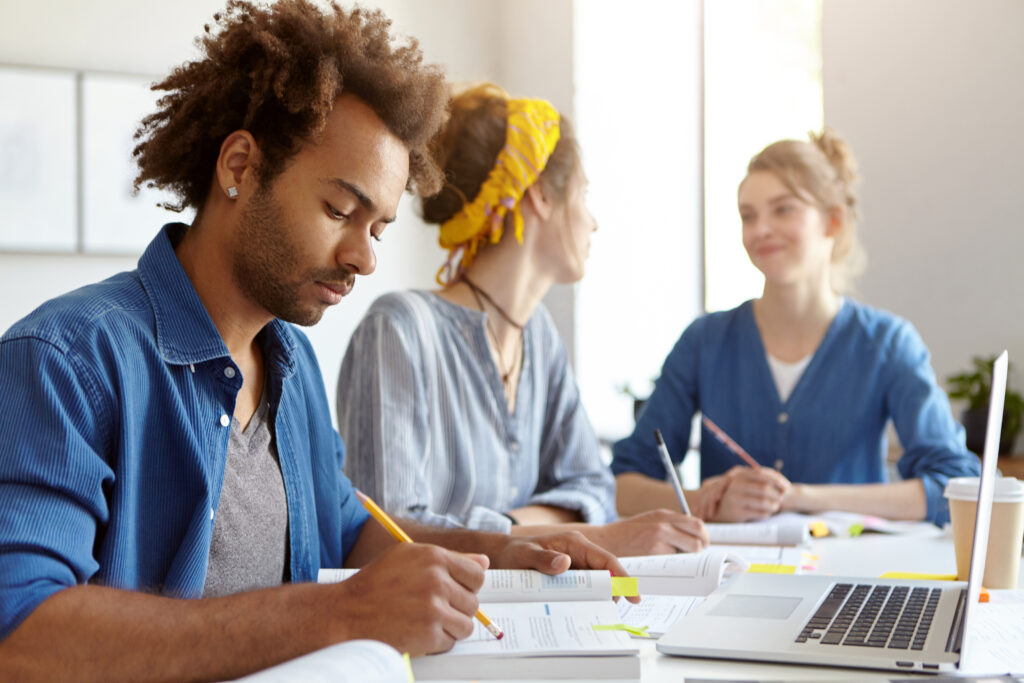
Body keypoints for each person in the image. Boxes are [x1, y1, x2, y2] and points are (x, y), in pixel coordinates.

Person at [0, 5, 631, 680]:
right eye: (340, 211)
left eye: (379, 229)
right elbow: (21, 633)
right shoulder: (65, 360)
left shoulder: (289, 365)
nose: (364, 258)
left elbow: (345, 530)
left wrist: (499, 552)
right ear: (239, 165)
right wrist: (341, 613)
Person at [337, 83, 707, 557]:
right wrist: (551, 528)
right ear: (541, 197)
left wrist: (509, 526)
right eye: (584, 194)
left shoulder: (539, 337)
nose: (593, 221)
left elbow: (595, 489)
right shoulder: (399, 329)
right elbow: (392, 534)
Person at [612, 129, 979, 526]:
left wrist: (800, 497)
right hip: (733, 576)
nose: (760, 229)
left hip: (851, 576)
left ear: (833, 222)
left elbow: (958, 486)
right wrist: (707, 499)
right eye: (747, 215)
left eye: (783, 209)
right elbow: (625, 486)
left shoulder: (887, 343)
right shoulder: (704, 341)